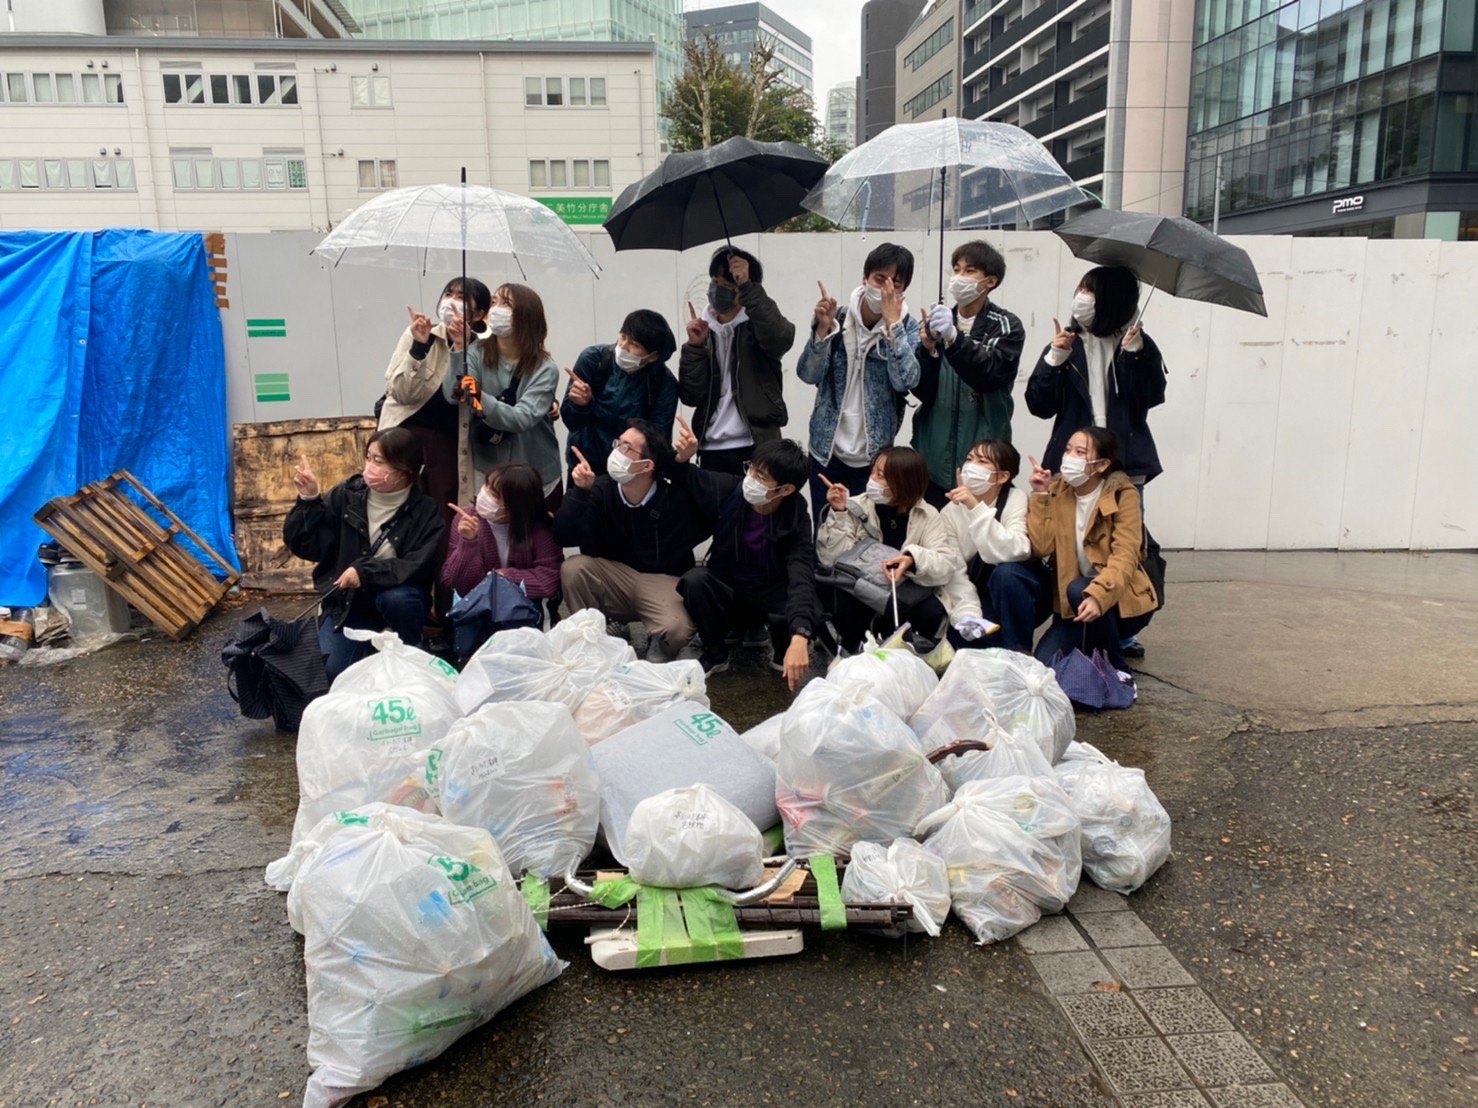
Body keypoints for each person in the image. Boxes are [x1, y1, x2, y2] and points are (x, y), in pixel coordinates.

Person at [1026, 265, 1166, 658]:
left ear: (1113, 301)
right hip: (1075, 465)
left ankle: (1120, 627)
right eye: (1081, 289)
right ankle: (1072, 611)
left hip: (1123, 466)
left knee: (1124, 548)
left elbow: (1150, 397)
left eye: (1091, 291)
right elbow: (1038, 403)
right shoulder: (1066, 343)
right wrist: (1054, 357)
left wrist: (1136, 356)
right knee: (1068, 543)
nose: (1082, 298)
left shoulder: (1136, 342)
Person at [378, 277, 491, 637]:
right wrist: (419, 346)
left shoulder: (483, 348)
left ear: (479, 313)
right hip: (404, 439)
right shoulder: (420, 333)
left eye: (463, 298)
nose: (452, 302)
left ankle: (443, 617)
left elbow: (477, 399)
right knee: (396, 523)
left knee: (446, 525)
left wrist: (462, 349)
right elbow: (399, 391)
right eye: (449, 294)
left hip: (451, 447)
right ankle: (392, 613)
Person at [284, 428, 445, 682]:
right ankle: (367, 648)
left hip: (397, 599)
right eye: (368, 458)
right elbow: (310, 548)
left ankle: (410, 647)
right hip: (349, 605)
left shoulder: (426, 510)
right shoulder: (347, 495)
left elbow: (416, 565)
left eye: (378, 461)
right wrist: (309, 501)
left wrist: (365, 572)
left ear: (405, 469)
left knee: (398, 600)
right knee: (331, 674)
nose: (369, 467)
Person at [553, 419, 716, 661]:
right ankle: (593, 638)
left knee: (677, 630)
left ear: (647, 465)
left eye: (627, 448)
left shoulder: (673, 497)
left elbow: (709, 519)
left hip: (662, 582)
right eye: (618, 443)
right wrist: (580, 492)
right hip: (615, 577)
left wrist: (681, 463)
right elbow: (564, 535)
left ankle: (658, 643)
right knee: (574, 568)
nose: (617, 452)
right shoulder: (599, 489)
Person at [668, 434, 819, 689]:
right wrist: (682, 457)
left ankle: (783, 649)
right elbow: (686, 476)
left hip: (771, 595)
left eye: (761, 476)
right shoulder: (732, 490)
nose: (751, 479)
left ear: (786, 489)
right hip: (732, 590)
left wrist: (800, 635)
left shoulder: (796, 518)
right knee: (696, 580)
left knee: (803, 602)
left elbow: (801, 572)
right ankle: (716, 654)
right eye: (752, 469)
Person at [798, 243, 922, 528]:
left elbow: (906, 382)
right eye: (880, 279)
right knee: (827, 531)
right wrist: (822, 330)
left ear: (903, 290)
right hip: (826, 451)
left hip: (874, 459)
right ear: (865, 278)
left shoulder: (907, 327)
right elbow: (808, 374)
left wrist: (894, 329)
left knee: (868, 534)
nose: (886, 288)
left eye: (895, 283)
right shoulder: (838, 318)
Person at [1022, 427, 1157, 674]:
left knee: (1079, 588)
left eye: (1080, 452)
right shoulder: (1058, 489)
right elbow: (1041, 547)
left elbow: (1125, 555)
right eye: (1068, 450)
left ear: (1102, 464)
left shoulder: (1123, 494)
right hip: (1073, 607)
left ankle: (1117, 668)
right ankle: (1090, 646)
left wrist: (1098, 595)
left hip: (1118, 602)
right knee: (1044, 664)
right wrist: (1040, 494)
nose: (1069, 457)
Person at [815, 445, 959, 654]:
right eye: (873, 471)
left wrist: (912, 559)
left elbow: (945, 564)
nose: (872, 479)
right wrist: (839, 513)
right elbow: (831, 558)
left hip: (903, 591)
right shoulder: (854, 506)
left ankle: (912, 657)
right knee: (845, 604)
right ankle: (850, 654)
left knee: (931, 612)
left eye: (880, 475)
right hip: (860, 587)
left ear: (904, 482)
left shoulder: (927, 515)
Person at [912, 241, 1025, 508]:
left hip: (983, 463)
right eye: (956, 269)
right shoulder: (936, 323)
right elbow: (922, 391)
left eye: (970, 270)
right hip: (934, 459)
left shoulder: (1006, 325)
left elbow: (989, 374)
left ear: (990, 282)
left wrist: (954, 339)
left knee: (979, 528)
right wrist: (927, 350)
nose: (959, 277)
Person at [444, 282, 562, 512]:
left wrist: (478, 397)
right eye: (494, 302)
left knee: (537, 533)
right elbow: (455, 395)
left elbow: (522, 418)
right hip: (489, 470)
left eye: (506, 303)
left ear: (526, 316)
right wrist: (459, 347)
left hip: (536, 473)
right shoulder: (476, 352)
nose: (496, 308)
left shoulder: (545, 368)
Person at [679, 247, 796, 475]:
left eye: (728, 285)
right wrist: (694, 347)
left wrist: (748, 288)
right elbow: (691, 395)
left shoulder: (758, 326)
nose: (718, 289)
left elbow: (781, 339)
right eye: (715, 282)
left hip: (755, 444)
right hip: (710, 446)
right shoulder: (703, 331)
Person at [441, 462, 563, 662]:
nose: (484, 494)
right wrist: (468, 543)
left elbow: (549, 578)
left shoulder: (539, 527)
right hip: (480, 611)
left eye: (494, 494)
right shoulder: (466, 518)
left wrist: (503, 578)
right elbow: (454, 580)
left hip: (524, 612)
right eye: (486, 485)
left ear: (517, 505)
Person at [937, 439, 1034, 649]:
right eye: (969, 459)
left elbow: (1018, 549)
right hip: (975, 592)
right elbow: (955, 571)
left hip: (1015, 590)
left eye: (982, 461)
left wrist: (975, 507)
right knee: (970, 643)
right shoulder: (950, 512)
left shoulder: (1015, 498)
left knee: (1006, 574)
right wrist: (969, 614)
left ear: (1002, 477)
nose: (971, 466)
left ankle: (1019, 651)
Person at [559, 309, 678, 481]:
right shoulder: (594, 360)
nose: (623, 346)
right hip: (586, 467)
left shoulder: (663, 383)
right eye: (623, 337)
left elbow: (658, 441)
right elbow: (571, 421)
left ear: (653, 356)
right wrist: (582, 405)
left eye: (634, 345)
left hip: (632, 474)